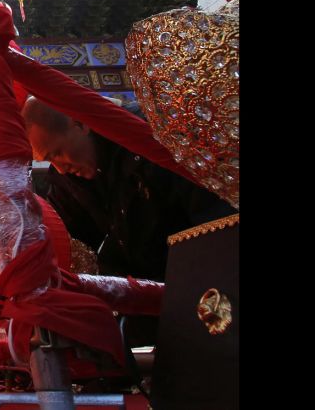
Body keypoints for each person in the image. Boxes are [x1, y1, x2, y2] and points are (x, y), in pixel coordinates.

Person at [22, 97, 234, 344]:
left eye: (58, 153)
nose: (60, 168)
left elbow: (214, 221)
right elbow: (67, 241)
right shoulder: (68, 182)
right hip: (150, 301)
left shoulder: (149, 136)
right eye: (50, 159)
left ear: (80, 123)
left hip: (207, 288)